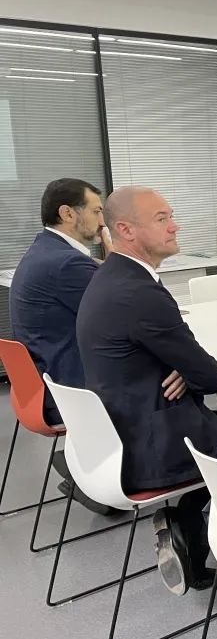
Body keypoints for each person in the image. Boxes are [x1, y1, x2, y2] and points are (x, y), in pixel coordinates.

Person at [76, 186, 217, 595]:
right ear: (126, 230)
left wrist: (184, 367)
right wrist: (188, 368)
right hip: (150, 447)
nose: (175, 226)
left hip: (117, 432)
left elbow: (189, 366)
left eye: (170, 216)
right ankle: (189, 527)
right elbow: (211, 378)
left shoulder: (113, 276)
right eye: (162, 219)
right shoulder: (140, 293)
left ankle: (187, 524)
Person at [10, 178, 115, 515]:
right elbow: (125, 309)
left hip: (41, 385)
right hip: (70, 393)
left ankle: (88, 466)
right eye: (96, 211)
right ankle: (99, 474)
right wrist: (116, 260)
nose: (102, 222)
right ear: (68, 213)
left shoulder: (45, 252)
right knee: (170, 377)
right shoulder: (66, 264)